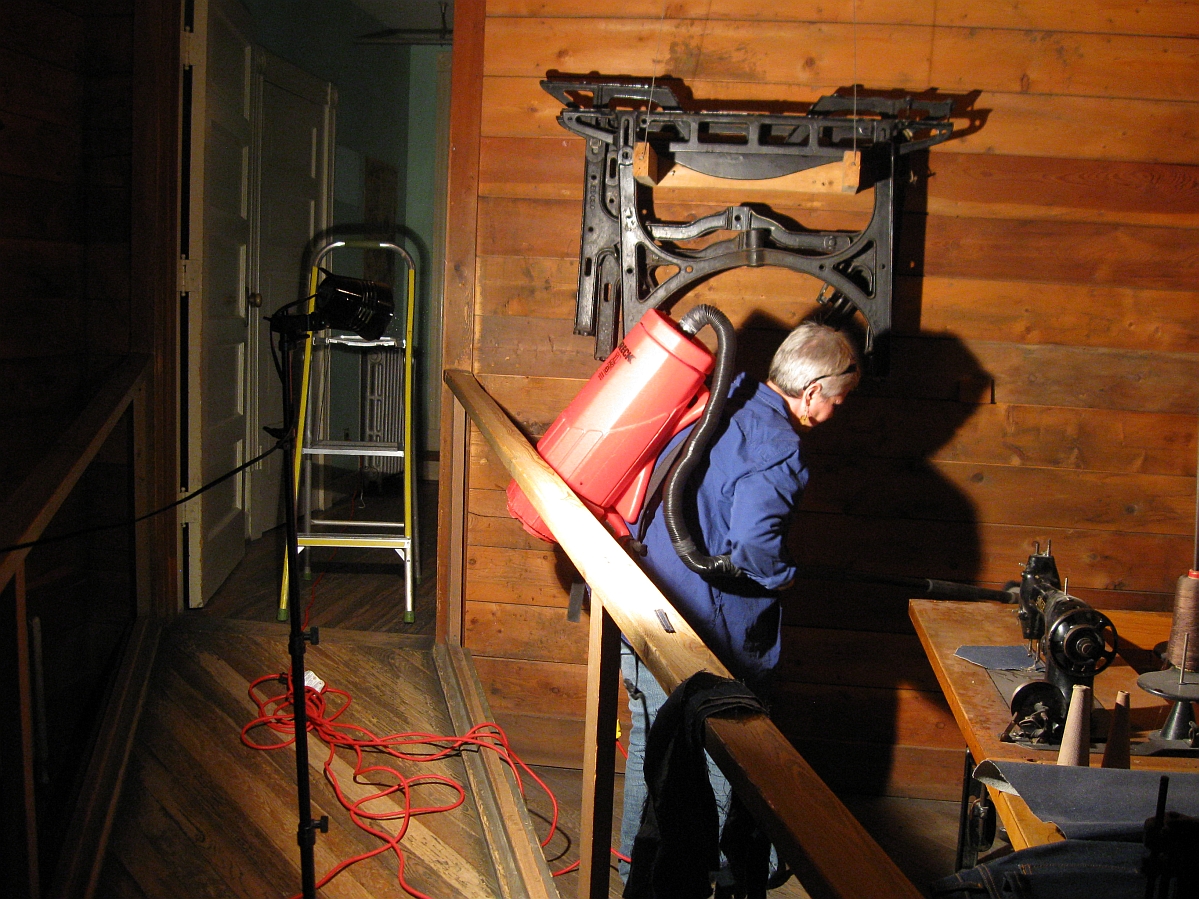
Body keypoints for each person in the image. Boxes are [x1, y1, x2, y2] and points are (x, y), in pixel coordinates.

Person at [618, 320, 861, 886]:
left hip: (640, 604)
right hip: (703, 632)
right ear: (812, 392)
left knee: (650, 740)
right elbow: (753, 548)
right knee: (727, 751)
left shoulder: (727, 396)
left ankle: (633, 859)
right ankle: (722, 869)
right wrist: (783, 579)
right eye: (838, 401)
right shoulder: (777, 448)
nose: (835, 413)